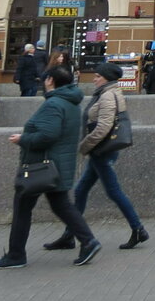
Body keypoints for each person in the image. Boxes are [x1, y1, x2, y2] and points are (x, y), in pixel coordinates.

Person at [0, 65, 102, 269]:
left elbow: (48, 135)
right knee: (62, 205)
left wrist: (23, 139)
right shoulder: (71, 103)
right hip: (58, 165)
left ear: (50, 80)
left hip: (42, 166)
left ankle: (16, 255)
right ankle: (88, 241)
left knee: (23, 208)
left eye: (45, 79)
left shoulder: (54, 104)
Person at [44, 62, 148, 252]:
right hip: (100, 150)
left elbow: (104, 126)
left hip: (102, 151)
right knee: (81, 190)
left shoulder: (107, 95)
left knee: (113, 191)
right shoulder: (106, 93)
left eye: (98, 76)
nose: (94, 79)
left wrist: (84, 146)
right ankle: (69, 235)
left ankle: (138, 228)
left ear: (107, 78)